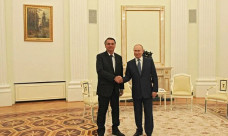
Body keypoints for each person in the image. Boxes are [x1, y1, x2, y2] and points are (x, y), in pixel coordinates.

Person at [116, 44, 158, 136]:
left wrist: (155, 89)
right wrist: (121, 79)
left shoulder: (149, 61)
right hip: (136, 92)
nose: (137, 52)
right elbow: (128, 77)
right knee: (137, 112)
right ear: (133, 52)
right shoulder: (130, 63)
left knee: (148, 113)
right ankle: (139, 130)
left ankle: (149, 132)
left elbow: (154, 76)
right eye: (135, 50)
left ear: (142, 51)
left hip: (148, 92)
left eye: (139, 50)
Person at [96, 37, 125, 136]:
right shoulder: (100, 57)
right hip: (104, 89)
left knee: (116, 110)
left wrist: (121, 87)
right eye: (108, 44)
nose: (110, 45)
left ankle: (115, 129)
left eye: (112, 44)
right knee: (102, 111)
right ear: (105, 45)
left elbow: (120, 73)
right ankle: (100, 130)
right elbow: (100, 71)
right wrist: (113, 78)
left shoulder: (118, 57)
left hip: (115, 89)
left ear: (115, 45)